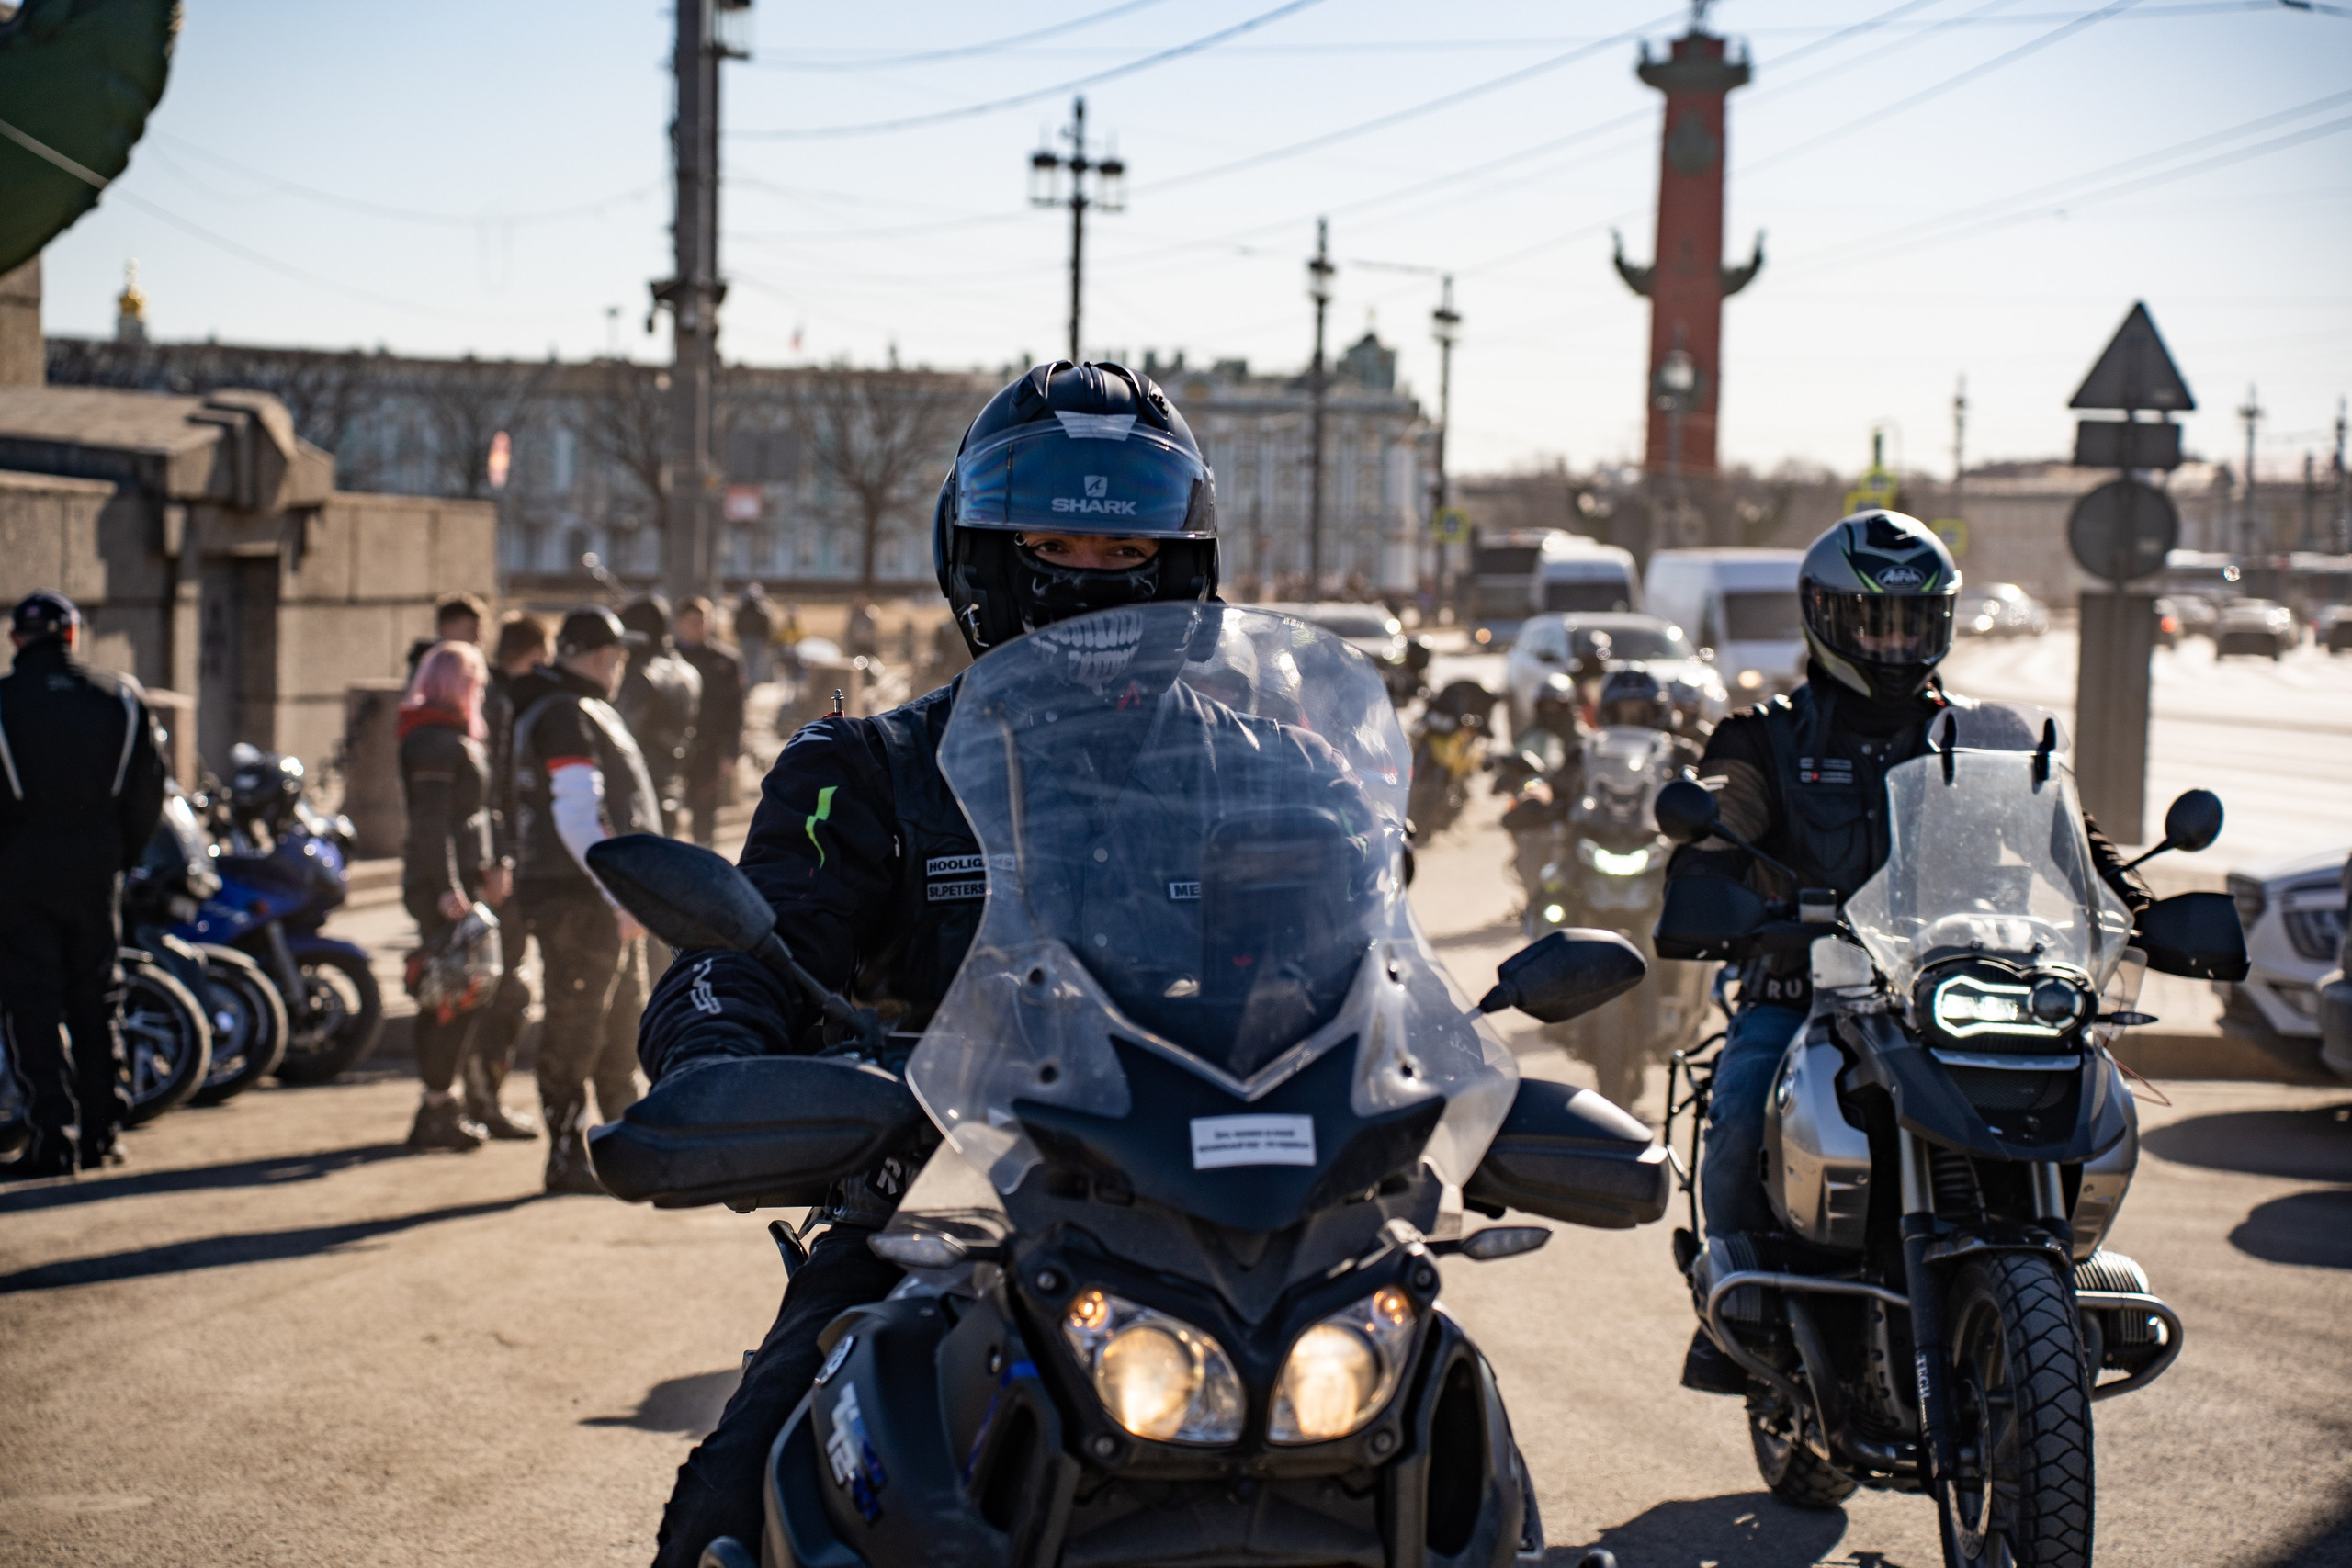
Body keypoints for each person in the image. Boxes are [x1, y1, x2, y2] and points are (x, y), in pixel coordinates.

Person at [635, 360, 1221, 1568]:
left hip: (1232, 1217)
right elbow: (749, 950)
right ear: (989, 550)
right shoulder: (865, 770)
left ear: (1182, 555)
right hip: (937, 1220)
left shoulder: (1271, 772)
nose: (1097, 572)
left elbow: (1380, 972)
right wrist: (724, 1062)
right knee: (733, 1510)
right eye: (1065, 535)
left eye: (1127, 546)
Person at [1667, 510, 2149, 1395]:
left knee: (2083, 1087)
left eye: (1914, 621)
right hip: (1808, 988)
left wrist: (2143, 910)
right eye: (1873, 621)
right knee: (1739, 1107)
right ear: (1826, 619)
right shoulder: (1762, 737)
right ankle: (1736, 1308)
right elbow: (1717, 824)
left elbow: (2077, 843)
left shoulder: (1994, 735)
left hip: (1959, 984)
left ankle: (2056, 1283)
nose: (1894, 642)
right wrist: (1711, 887)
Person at [0, 591, 165, 1178]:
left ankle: (54, 1136)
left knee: (32, 1003)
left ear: (18, 639)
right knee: (98, 997)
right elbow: (150, 792)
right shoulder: (120, 698)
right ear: (72, 635)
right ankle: (104, 1132)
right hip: (97, 869)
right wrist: (121, 856)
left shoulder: (4, 702)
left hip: (20, 870)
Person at [509, 606, 660, 1194]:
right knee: (578, 1023)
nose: (621, 670)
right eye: (620, 659)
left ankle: (626, 1143)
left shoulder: (565, 709)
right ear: (605, 657)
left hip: (589, 894)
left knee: (620, 1016)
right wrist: (618, 892)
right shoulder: (565, 714)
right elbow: (576, 815)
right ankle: (568, 1154)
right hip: (579, 897)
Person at [397, 641, 501, 1152]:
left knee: (454, 997)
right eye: (475, 681)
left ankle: (439, 1104)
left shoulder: (439, 736)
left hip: (451, 884)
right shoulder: (435, 741)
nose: (480, 691)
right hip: (441, 889)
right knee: (448, 998)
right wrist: (447, 887)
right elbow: (431, 822)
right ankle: (437, 1106)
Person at [464, 612, 548, 1140]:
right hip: (502, 870)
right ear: (536, 655)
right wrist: (500, 861)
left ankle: (474, 1096)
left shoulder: (493, 698)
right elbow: (497, 794)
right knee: (505, 988)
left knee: (496, 986)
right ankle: (483, 1099)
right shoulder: (503, 704)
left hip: (494, 864)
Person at [614, 595, 702, 839]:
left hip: (640, 796)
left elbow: (620, 741)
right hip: (673, 786)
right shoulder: (688, 672)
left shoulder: (641, 677)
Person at [673, 596, 743, 849]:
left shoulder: (725, 661)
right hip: (671, 749)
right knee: (669, 809)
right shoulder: (667, 659)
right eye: (692, 622)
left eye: (703, 621)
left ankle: (703, 857)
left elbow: (735, 710)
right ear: (679, 623)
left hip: (709, 748)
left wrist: (731, 752)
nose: (699, 627)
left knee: (705, 810)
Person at [405, 592, 488, 682]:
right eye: (471, 629)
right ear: (446, 628)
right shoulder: (426, 668)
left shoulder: (479, 666)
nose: (478, 637)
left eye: (480, 630)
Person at [733, 583, 774, 689]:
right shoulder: (762, 611)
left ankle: (747, 685)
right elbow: (767, 627)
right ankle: (750, 686)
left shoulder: (741, 610)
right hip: (756, 640)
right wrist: (766, 640)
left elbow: (736, 626)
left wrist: (739, 636)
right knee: (753, 664)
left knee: (745, 664)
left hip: (745, 639)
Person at [841, 592, 878, 660]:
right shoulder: (853, 615)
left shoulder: (870, 614)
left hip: (867, 646)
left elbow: (872, 632)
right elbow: (849, 631)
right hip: (855, 646)